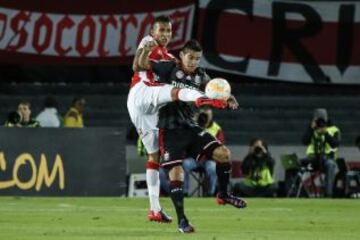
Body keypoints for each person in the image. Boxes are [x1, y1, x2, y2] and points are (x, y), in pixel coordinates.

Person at [127, 16, 226, 223]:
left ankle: (154, 209)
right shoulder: (149, 42)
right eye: (161, 30)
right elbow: (137, 66)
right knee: (175, 91)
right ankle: (202, 100)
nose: (165, 34)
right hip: (142, 93)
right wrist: (144, 49)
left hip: (146, 110)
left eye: (168, 31)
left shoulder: (168, 56)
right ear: (153, 31)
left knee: (154, 157)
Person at [151, 39, 246, 233]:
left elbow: (216, 91)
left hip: (190, 127)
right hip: (169, 130)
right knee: (176, 173)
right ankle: (182, 221)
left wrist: (229, 97)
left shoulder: (201, 76)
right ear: (181, 56)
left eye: (197, 58)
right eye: (190, 57)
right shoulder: (167, 69)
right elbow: (142, 67)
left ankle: (224, 194)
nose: (194, 62)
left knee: (223, 153)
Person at [183, 107, 221, 197]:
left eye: (207, 115)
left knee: (212, 168)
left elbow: (219, 146)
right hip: (194, 159)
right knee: (185, 164)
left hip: (209, 159)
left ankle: (211, 193)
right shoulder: (192, 127)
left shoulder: (216, 129)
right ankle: (184, 192)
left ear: (211, 116)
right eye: (203, 114)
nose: (205, 117)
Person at [302, 108, 340, 197]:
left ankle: (328, 194)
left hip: (327, 160)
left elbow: (335, 144)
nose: (320, 122)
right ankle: (298, 193)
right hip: (313, 161)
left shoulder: (333, 129)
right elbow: (304, 141)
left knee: (330, 164)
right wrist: (311, 129)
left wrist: (326, 133)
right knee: (294, 165)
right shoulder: (311, 128)